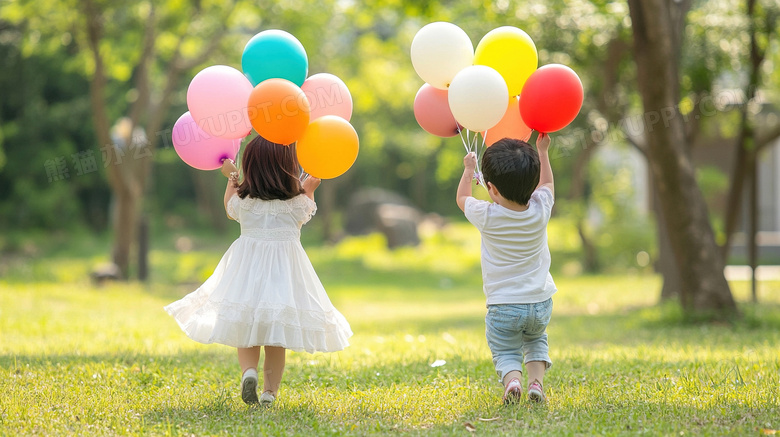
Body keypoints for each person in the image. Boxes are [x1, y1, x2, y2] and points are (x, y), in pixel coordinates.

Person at [165, 135, 352, 406]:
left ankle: (248, 372)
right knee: (276, 337)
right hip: (284, 274)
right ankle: (269, 393)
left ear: (251, 167)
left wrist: (232, 180)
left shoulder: (244, 201)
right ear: (289, 167)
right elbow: (304, 214)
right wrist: (309, 187)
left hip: (247, 272)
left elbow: (230, 209)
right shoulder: (296, 203)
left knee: (246, 325)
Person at [456, 133, 555, 404]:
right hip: (540, 302)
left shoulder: (487, 215)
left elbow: (462, 198)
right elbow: (546, 182)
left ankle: (513, 380)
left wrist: (467, 171)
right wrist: (543, 151)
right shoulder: (541, 208)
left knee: (505, 349)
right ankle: (536, 384)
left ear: (492, 188)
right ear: (532, 184)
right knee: (536, 341)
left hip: (503, 305)